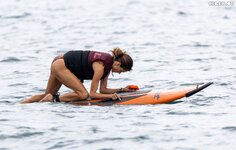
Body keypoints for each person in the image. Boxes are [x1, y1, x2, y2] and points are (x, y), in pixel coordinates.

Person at [20, 47, 133, 103]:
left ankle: (22, 105)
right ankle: (53, 99)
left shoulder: (108, 66)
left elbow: (103, 90)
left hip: (60, 63)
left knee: (47, 94)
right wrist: (110, 97)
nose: (119, 73)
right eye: (121, 71)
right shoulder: (101, 66)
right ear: (118, 64)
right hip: (61, 65)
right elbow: (93, 94)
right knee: (83, 94)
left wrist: (121, 90)